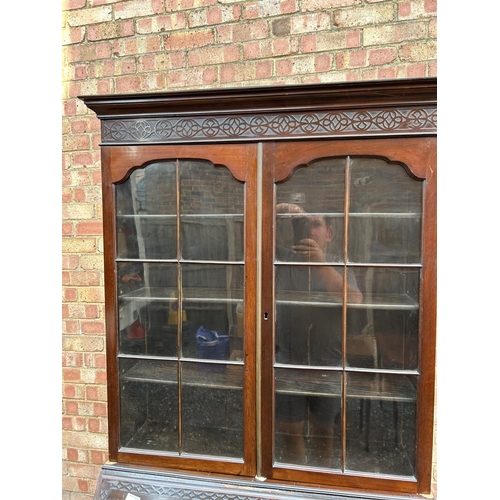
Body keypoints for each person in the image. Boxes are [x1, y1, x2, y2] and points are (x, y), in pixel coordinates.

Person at [275, 203, 362, 467]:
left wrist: (321, 264)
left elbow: (355, 299)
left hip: (328, 365)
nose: (310, 230)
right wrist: (274, 206)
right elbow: (252, 234)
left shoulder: (338, 264)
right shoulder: (283, 261)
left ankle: (321, 486)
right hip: (288, 362)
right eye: (303, 224)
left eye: (316, 224)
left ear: (329, 233)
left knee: (325, 434)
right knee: (290, 435)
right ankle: (295, 487)